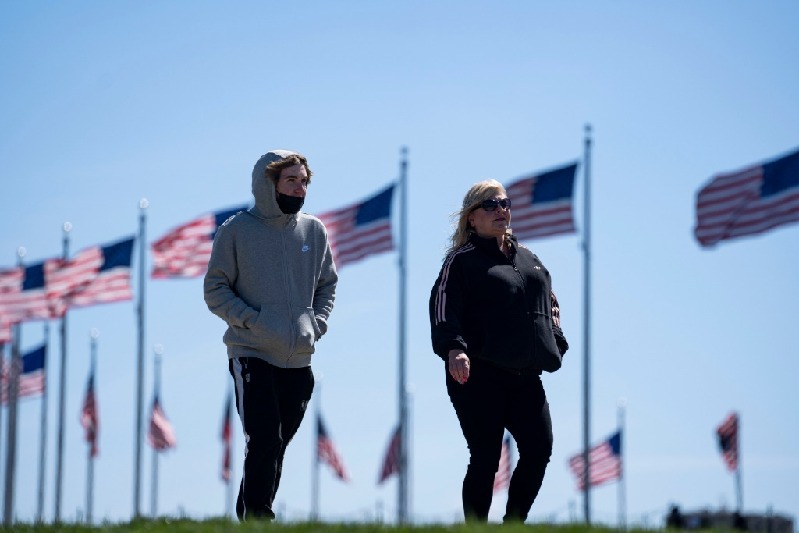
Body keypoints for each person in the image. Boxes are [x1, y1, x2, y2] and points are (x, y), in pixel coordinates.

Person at [204, 149, 337, 521]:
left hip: (299, 360)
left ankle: (249, 513)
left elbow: (327, 284)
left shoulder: (314, 230)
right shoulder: (236, 231)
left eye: (303, 182)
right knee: (264, 438)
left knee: (274, 447)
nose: (299, 188)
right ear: (269, 183)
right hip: (252, 353)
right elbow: (215, 289)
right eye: (291, 180)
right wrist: (253, 321)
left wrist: (316, 324)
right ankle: (260, 517)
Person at [428, 179, 569, 523]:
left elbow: (550, 303)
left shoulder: (531, 260)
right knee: (486, 457)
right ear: (471, 217)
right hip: (478, 375)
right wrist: (453, 349)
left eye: (505, 203)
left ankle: (513, 526)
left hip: (526, 377)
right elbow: (443, 306)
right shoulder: (460, 261)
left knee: (539, 450)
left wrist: (556, 338)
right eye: (490, 205)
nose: (500, 210)